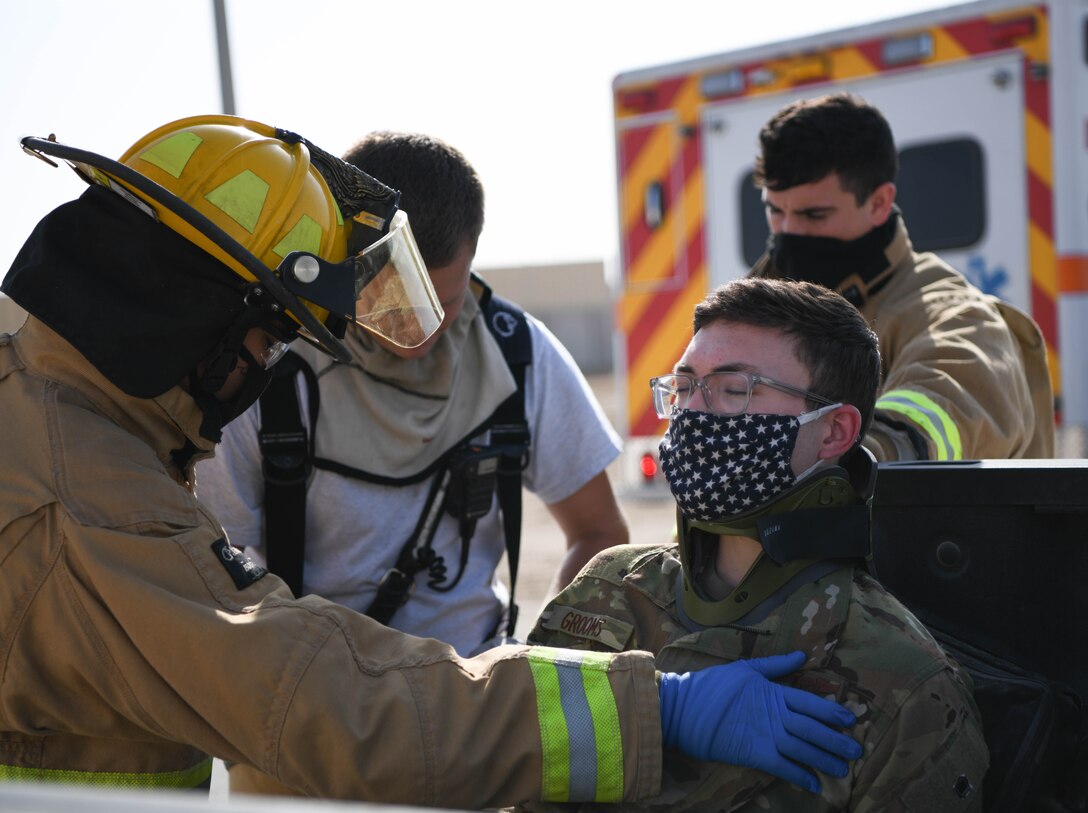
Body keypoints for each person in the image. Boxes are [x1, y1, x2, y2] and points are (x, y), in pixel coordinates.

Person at [0, 115, 864, 808]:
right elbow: (308, 690)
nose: (261, 369)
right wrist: (654, 707)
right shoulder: (88, 500)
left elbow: (589, 529)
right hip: (324, 752)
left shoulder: (49, 396)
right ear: (190, 313)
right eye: (264, 338)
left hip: (455, 736)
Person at [523, 278, 989, 811]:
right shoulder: (603, 593)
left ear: (834, 432)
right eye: (683, 386)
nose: (696, 414)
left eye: (735, 388)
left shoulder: (906, 682)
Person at [196, 131, 627, 662]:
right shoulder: (268, 366)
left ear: (472, 257)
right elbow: (208, 577)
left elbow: (599, 536)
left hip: (478, 702)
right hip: (314, 707)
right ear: (345, 257)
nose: (418, 332)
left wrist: (536, 666)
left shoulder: (517, 354)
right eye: (391, 303)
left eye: (442, 303)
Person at [749, 92, 1054, 462]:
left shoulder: (955, 314)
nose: (788, 231)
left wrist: (863, 454)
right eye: (775, 211)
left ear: (878, 202)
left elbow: (950, 399)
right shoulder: (757, 306)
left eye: (815, 215)